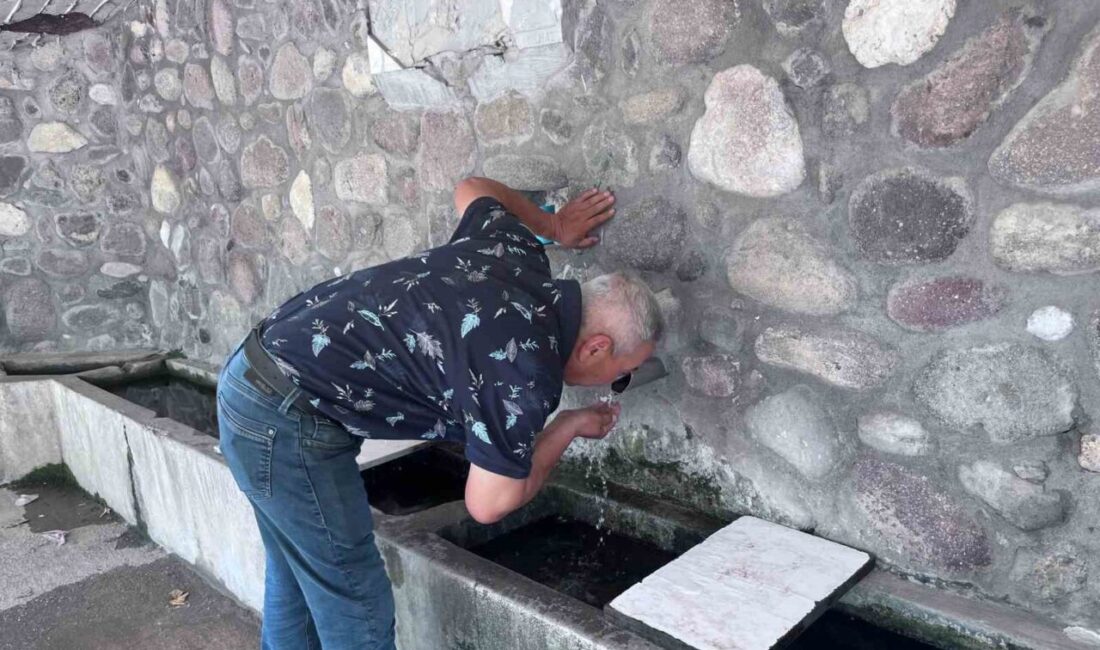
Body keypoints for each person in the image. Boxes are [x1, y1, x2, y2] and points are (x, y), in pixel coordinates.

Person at [215, 176, 665, 649]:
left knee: (298, 576)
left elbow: (471, 188)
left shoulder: (518, 253)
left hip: (255, 373)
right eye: (623, 374)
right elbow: (488, 504)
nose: (617, 385)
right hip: (284, 418)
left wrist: (552, 225)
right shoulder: (527, 374)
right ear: (596, 347)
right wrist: (568, 426)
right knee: (355, 599)